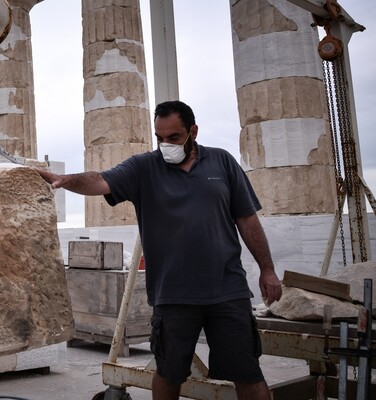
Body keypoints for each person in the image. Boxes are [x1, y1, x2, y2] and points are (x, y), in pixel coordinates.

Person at [35, 100, 282, 400]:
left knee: (248, 374)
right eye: (160, 138)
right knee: (168, 374)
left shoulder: (223, 163)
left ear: (193, 131)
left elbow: (247, 219)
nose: (166, 144)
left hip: (227, 291)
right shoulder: (144, 167)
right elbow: (100, 180)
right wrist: (65, 180)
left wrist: (267, 269)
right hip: (173, 295)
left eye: (174, 137)